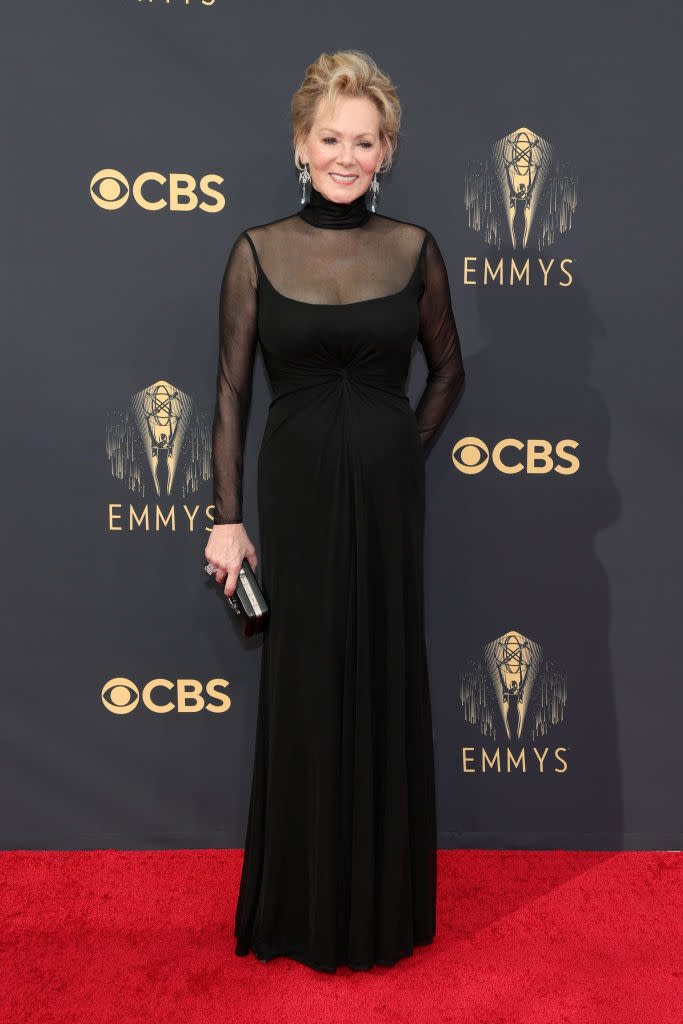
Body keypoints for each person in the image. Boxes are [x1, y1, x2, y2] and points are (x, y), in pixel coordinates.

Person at [204, 49, 466, 973]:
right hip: (299, 490)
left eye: (365, 141)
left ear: (386, 151)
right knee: (309, 680)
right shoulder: (257, 250)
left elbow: (447, 371)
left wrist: (401, 449)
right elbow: (231, 393)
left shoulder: (414, 247)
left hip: (387, 496)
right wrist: (225, 516)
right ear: (301, 143)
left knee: (383, 665)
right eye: (331, 138)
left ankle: (382, 908)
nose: (346, 156)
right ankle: (301, 909)